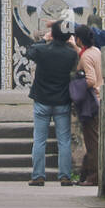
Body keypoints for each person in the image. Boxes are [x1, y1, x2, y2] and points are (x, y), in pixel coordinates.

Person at [26, 20, 76, 186]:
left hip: (42, 99)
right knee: (64, 140)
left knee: (39, 140)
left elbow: (30, 51)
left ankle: (38, 176)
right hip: (62, 100)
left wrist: (44, 39)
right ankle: (65, 176)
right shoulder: (71, 54)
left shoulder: (42, 50)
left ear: (53, 34)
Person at [72, 24, 102, 186]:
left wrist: (76, 87)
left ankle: (93, 176)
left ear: (79, 39)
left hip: (92, 101)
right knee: (93, 139)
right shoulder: (96, 51)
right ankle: (85, 174)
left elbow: (90, 80)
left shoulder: (85, 57)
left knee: (92, 141)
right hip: (101, 98)